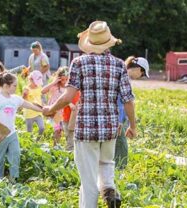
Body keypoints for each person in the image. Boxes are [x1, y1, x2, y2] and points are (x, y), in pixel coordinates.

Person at [43, 21, 137, 208]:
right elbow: (128, 100)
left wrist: (50, 109)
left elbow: (68, 95)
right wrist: (133, 126)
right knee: (106, 163)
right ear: (109, 42)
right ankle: (109, 188)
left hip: (86, 128)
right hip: (110, 127)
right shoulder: (119, 65)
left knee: (88, 181)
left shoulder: (79, 63)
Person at [0, 72, 42, 181]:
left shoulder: (16, 99)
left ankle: (13, 180)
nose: (16, 88)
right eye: (14, 85)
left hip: (11, 133)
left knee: (15, 155)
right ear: (6, 85)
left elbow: (29, 105)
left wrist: (43, 110)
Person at [114, 56, 149, 169]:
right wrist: (120, 121)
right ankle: (119, 172)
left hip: (120, 119)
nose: (141, 77)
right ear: (138, 69)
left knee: (113, 147)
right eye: (143, 74)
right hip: (117, 120)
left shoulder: (120, 74)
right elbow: (120, 101)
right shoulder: (124, 78)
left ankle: (114, 171)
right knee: (121, 147)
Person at [41, 66, 68, 146]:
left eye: (66, 79)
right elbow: (43, 91)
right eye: (62, 79)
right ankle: (55, 146)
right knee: (57, 129)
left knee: (61, 130)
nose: (64, 81)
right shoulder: (55, 86)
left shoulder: (68, 88)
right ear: (59, 78)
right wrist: (54, 82)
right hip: (54, 112)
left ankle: (58, 145)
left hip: (62, 112)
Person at [22, 70, 45, 141]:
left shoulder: (39, 87)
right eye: (36, 82)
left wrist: (44, 105)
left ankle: (36, 141)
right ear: (31, 80)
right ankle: (30, 144)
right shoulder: (26, 88)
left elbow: (41, 98)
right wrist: (24, 95)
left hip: (38, 112)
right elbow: (23, 100)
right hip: (29, 113)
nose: (37, 84)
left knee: (42, 128)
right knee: (29, 132)